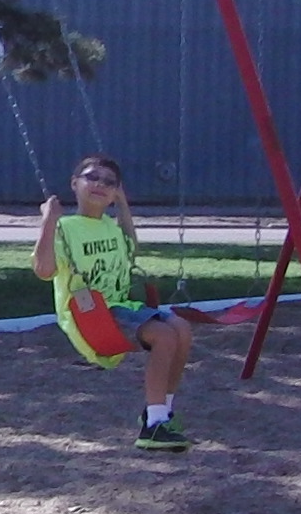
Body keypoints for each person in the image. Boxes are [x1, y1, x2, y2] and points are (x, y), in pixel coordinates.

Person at [34, 153, 192, 451]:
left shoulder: (111, 226)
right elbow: (44, 270)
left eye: (109, 182)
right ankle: (154, 427)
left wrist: (122, 203)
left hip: (121, 307)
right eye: (91, 177)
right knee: (164, 336)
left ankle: (161, 413)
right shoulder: (65, 227)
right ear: (74, 184)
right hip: (91, 313)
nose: (100, 184)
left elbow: (132, 245)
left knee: (182, 328)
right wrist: (47, 221)